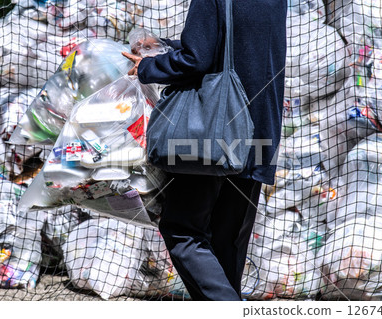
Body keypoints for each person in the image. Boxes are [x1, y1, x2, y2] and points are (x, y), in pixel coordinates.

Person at [123, 0, 287, 301]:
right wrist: (165, 46)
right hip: (259, 128)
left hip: (213, 131)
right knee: (227, 245)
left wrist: (147, 67)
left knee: (183, 232)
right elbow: (232, 42)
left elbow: (196, 60)